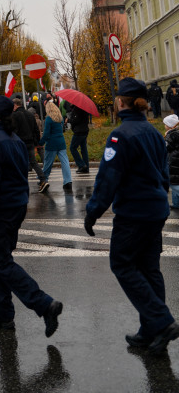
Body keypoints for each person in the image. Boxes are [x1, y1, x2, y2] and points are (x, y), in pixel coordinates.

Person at [85, 77, 178, 354]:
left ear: (121, 102)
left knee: (123, 264)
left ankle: (161, 322)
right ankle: (151, 331)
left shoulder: (120, 135)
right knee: (150, 269)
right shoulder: (152, 132)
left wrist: (92, 213)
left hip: (133, 214)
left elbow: (108, 180)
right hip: (155, 210)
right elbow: (162, 175)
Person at [0, 95, 63, 335]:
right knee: (0, 260)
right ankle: (4, 313)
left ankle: (44, 304)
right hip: (17, 207)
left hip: (1, 210)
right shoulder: (13, 140)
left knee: (2, 262)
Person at [11, 98, 49, 193]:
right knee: (33, 162)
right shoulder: (30, 115)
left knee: (19, 163)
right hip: (30, 142)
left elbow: (13, 131)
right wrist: (37, 143)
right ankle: (43, 179)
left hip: (20, 143)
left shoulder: (14, 116)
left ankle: (21, 184)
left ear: (15, 105)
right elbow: (36, 130)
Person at [40, 101, 72, 192]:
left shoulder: (49, 119)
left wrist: (41, 143)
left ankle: (44, 180)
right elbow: (62, 130)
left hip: (51, 143)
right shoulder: (60, 118)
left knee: (48, 163)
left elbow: (46, 134)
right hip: (61, 142)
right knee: (65, 162)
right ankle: (68, 181)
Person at [68, 104, 90, 174]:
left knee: (72, 148)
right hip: (85, 131)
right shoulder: (84, 108)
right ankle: (86, 167)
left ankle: (82, 165)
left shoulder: (77, 109)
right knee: (84, 149)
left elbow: (75, 121)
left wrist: (69, 120)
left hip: (79, 132)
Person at [164, 114, 179, 210]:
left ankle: (176, 203)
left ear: (169, 125)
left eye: (165, 124)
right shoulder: (176, 132)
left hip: (174, 161)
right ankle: (176, 203)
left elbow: (165, 148)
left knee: (174, 184)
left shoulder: (171, 134)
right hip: (177, 160)